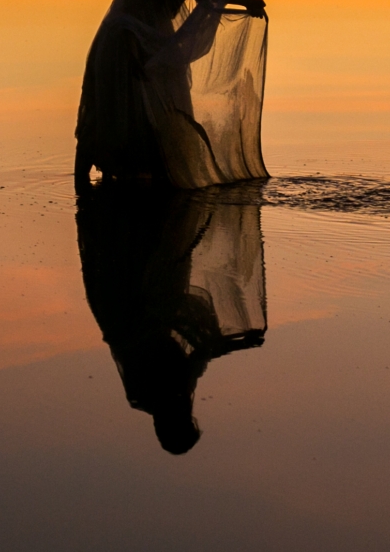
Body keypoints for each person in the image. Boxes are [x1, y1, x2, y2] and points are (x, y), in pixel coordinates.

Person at [74, 0, 269, 190]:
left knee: (166, 111)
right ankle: (84, 184)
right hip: (122, 44)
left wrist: (246, 0)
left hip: (159, 44)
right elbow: (129, 13)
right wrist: (134, 54)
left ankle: (155, 184)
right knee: (116, 113)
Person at [76, 180, 266, 454]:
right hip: (119, 304)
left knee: (150, 236)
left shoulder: (163, 390)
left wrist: (243, 341)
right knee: (134, 233)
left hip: (134, 302)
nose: (189, 413)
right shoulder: (149, 395)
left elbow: (202, 350)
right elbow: (198, 351)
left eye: (186, 421)